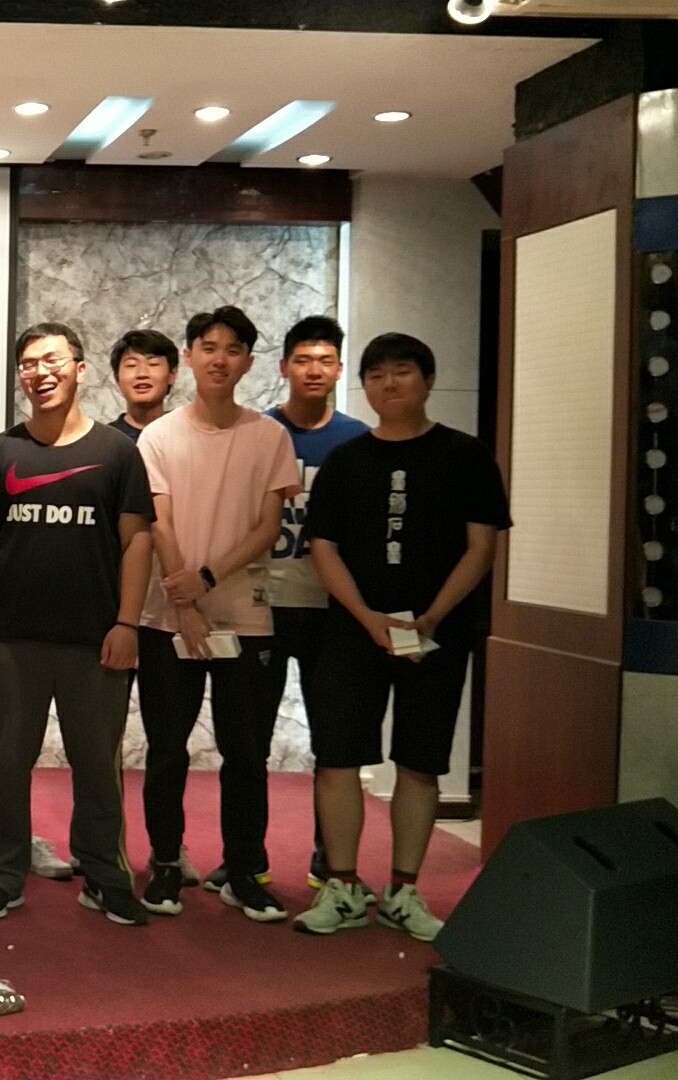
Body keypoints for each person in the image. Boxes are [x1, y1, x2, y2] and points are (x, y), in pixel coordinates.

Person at [298, 332, 509, 943]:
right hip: (351, 632)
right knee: (338, 758)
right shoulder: (346, 459)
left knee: (420, 762)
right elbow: (323, 547)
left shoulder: (466, 455)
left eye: (402, 372)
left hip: (438, 635)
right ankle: (341, 886)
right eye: (377, 375)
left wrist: (433, 617)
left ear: (428, 379)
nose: (389, 384)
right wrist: (368, 617)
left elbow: (481, 547)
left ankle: (403, 890)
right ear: (363, 385)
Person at [0, 323, 155, 926]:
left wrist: (127, 623)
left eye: (51, 360)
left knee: (98, 767)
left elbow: (138, 540)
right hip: (13, 638)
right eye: (28, 364)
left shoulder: (118, 452)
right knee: (5, 766)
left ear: (79, 368)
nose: (39, 373)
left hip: (96, 641)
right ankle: (0, 874)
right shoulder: (0, 452)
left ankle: (104, 876)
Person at [135, 306, 300, 923]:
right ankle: (166, 865)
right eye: (208, 347)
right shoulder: (159, 436)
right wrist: (184, 604)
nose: (219, 359)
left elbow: (267, 527)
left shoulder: (269, 436)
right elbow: (159, 522)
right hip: (165, 621)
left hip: (246, 619)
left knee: (246, 753)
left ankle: (244, 870)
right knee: (166, 750)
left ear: (249, 363)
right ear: (189, 357)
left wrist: (202, 582)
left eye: (233, 349)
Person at [219, 314, 367, 896]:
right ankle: (244, 861)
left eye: (325, 360)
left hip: (332, 611)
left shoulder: (357, 440)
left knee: (334, 746)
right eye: (302, 360)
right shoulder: (258, 432)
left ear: (339, 370)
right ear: (283, 367)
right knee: (247, 744)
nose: (313, 370)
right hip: (263, 607)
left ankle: (331, 863)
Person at [109, 329, 179, 441]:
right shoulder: (104, 442)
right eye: (131, 365)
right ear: (117, 378)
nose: (142, 374)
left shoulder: (187, 436)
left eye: (153, 364)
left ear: (172, 375)